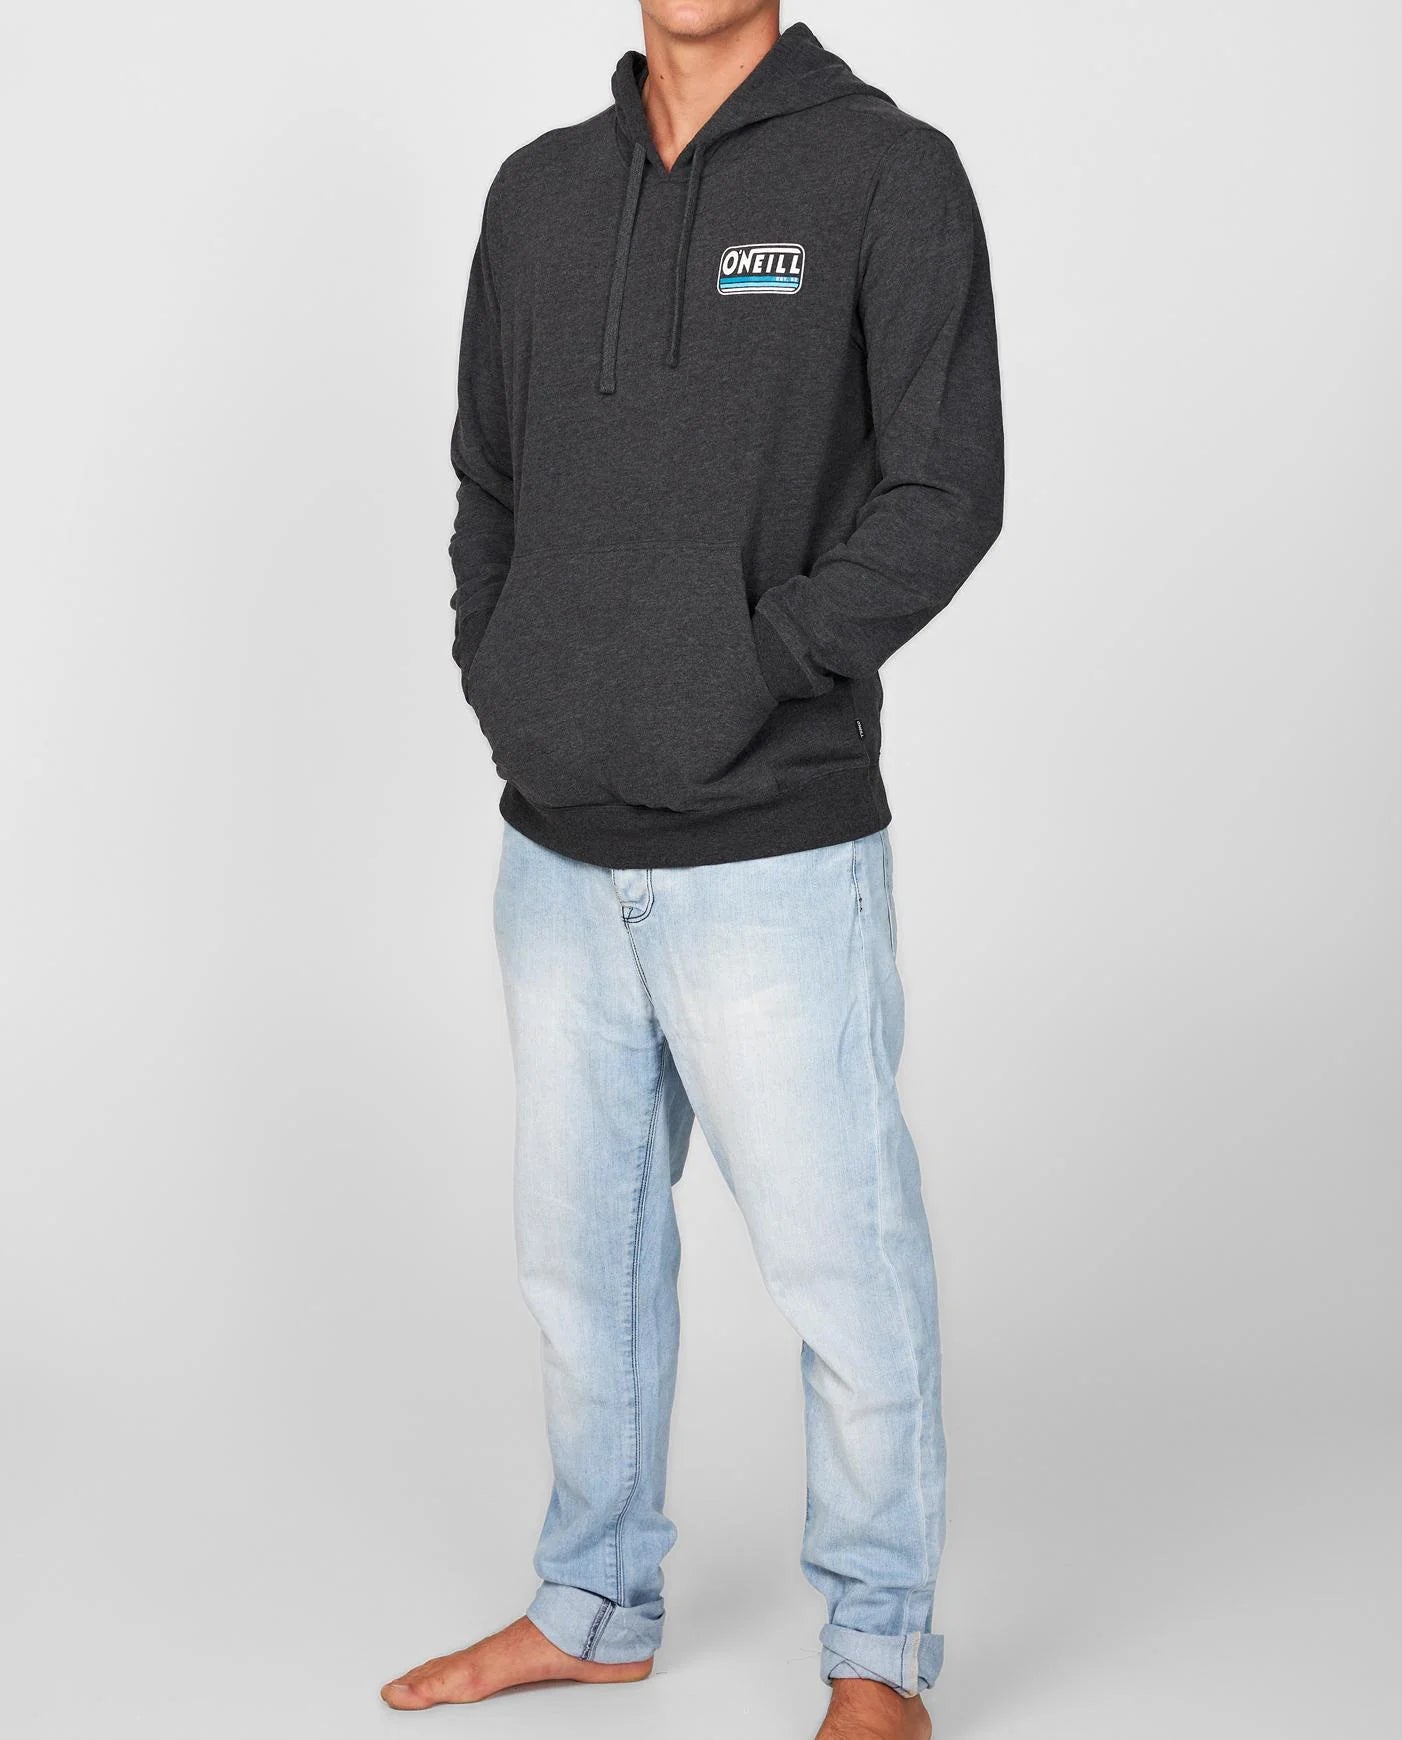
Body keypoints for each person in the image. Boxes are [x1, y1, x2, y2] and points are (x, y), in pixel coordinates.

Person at [381, 2, 1002, 1733]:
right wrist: (509, 674)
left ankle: (879, 1658)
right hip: (556, 853)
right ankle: (593, 1602)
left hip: (775, 850)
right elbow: (487, 480)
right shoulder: (538, 195)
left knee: (843, 1273)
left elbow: (946, 491)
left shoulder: (887, 174)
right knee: (583, 1277)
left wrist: (751, 662)